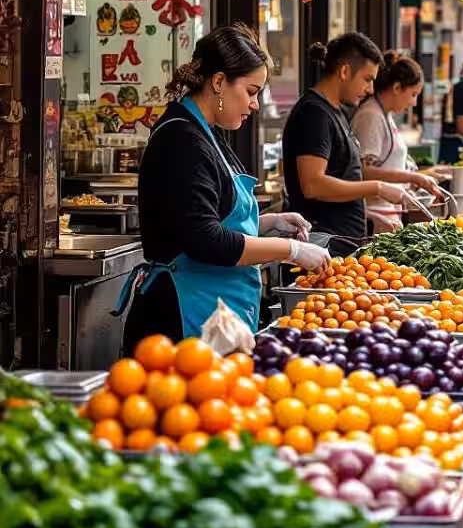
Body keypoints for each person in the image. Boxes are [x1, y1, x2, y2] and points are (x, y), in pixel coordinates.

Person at [119, 23, 331, 352]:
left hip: (215, 312)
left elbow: (206, 218)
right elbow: (205, 240)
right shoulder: (181, 140)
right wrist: (290, 250)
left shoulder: (207, 133)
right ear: (219, 82)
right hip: (183, 317)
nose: (255, 104)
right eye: (251, 91)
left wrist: (269, 223)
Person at [283, 34, 406, 255]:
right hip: (321, 251)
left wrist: (369, 216)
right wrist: (377, 187)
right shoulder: (314, 113)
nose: (370, 89)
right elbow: (313, 185)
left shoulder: (336, 111)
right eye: (367, 79)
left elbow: (340, 180)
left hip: (341, 248)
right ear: (344, 71)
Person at [351, 52, 444, 232]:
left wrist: (416, 175)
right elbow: (365, 171)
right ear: (397, 87)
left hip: (389, 213)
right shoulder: (371, 116)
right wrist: (413, 177)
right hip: (376, 217)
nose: (414, 103)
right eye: (413, 94)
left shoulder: (385, 114)